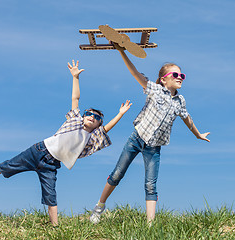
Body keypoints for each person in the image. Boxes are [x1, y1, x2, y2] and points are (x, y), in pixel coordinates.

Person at [0, 59, 132, 226]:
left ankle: (55, 228)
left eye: (96, 118)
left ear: (98, 125)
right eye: (89, 113)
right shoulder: (74, 120)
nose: (91, 117)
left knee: (51, 196)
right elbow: (75, 98)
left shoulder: (91, 138)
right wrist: (75, 77)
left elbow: (106, 129)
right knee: (7, 165)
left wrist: (120, 114)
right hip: (39, 151)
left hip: (51, 164)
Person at [89, 45, 210, 224]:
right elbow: (135, 73)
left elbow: (187, 118)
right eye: (175, 75)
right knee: (117, 174)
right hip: (136, 139)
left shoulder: (180, 100)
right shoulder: (154, 89)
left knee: (150, 185)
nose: (180, 78)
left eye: (182, 75)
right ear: (163, 79)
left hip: (154, 147)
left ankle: (150, 225)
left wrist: (198, 134)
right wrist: (122, 51)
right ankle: (99, 207)